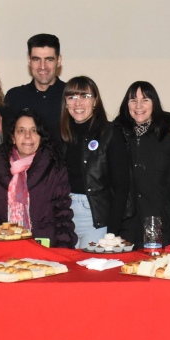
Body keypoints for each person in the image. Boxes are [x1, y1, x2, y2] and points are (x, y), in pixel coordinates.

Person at [0, 109, 76, 247]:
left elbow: (63, 214)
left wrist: (63, 249)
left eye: (34, 130)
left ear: (41, 136)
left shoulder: (54, 166)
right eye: (21, 131)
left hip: (44, 248)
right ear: (13, 137)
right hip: (2, 247)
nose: (28, 136)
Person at [58, 76, 132, 248]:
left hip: (96, 217)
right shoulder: (61, 136)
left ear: (95, 102)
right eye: (72, 97)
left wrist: (112, 232)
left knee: (91, 270)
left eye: (85, 96)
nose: (78, 103)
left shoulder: (111, 133)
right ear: (65, 103)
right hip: (65, 215)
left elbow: (122, 187)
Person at [115, 81, 170, 247]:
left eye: (146, 100)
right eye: (133, 100)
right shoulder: (116, 136)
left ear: (154, 104)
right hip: (126, 225)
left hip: (162, 222)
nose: (139, 105)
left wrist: (163, 189)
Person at [3, 33, 66, 137]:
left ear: (58, 60)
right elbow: (7, 144)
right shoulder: (14, 97)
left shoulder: (71, 96)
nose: (42, 66)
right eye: (36, 59)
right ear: (29, 60)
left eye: (49, 59)